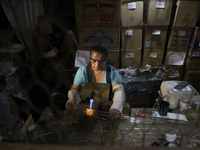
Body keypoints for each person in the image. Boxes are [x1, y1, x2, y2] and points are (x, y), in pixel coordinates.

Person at [65, 44, 125, 119]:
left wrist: (116, 106)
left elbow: (119, 91)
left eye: (101, 62)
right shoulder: (83, 71)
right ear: (90, 57)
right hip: (85, 111)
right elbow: (74, 90)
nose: (97, 65)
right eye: (94, 61)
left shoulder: (112, 72)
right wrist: (72, 101)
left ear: (107, 58)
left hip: (104, 111)